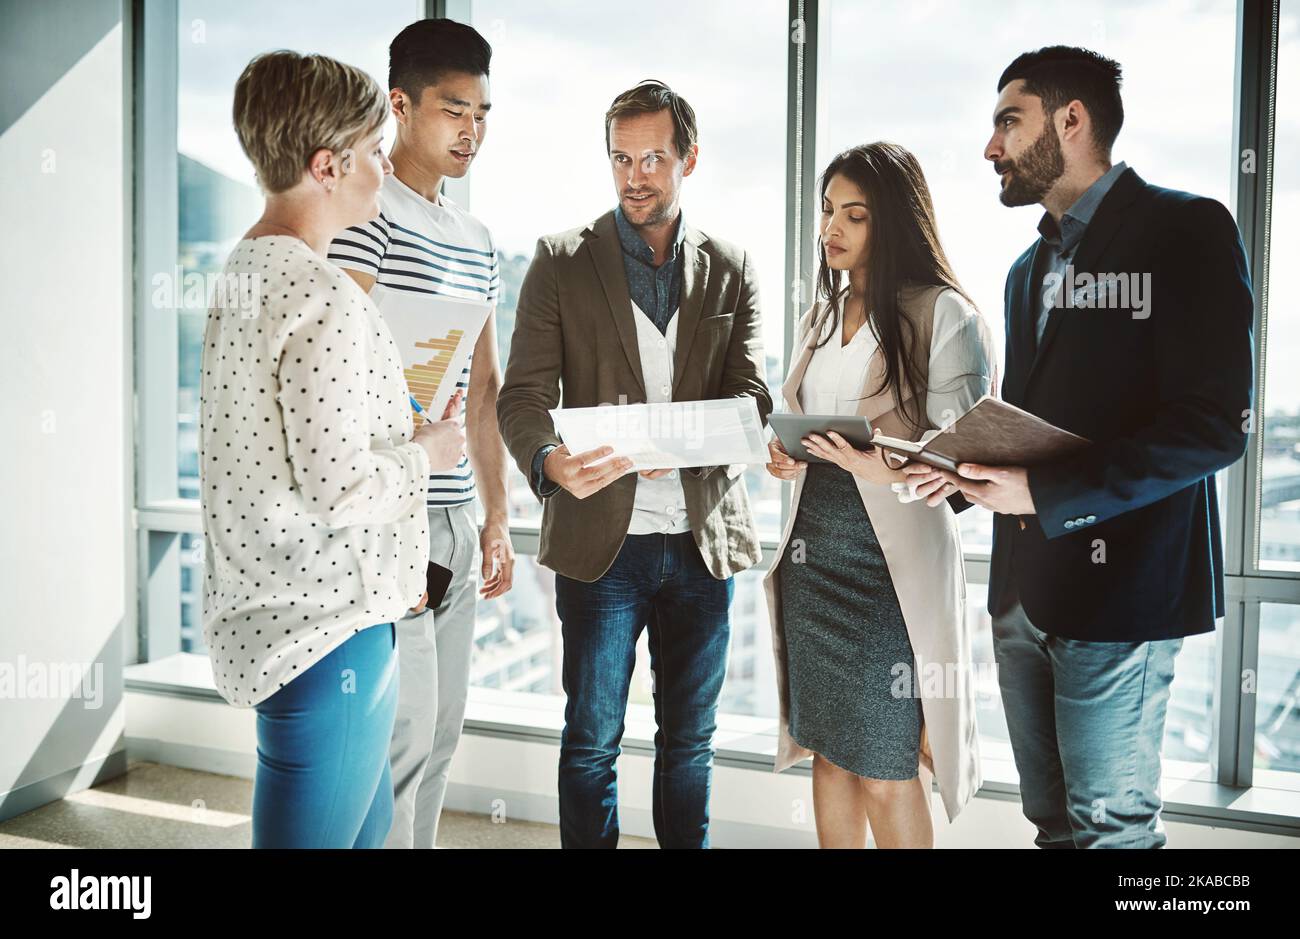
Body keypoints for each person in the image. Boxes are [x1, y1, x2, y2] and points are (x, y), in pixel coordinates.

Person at [907, 46, 1254, 848]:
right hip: (1027, 594)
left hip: (1123, 593)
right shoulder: (1028, 269)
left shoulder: (1186, 229)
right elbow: (1031, 422)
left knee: (1112, 829)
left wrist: (1045, 495)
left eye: (1006, 121)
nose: (990, 147)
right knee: (1054, 825)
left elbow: (1213, 424)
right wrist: (955, 469)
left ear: (1071, 121)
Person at [496, 80, 772, 848]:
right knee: (591, 741)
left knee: (689, 743)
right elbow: (520, 397)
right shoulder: (559, 262)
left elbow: (750, 389)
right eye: (621, 158)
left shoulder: (732, 265)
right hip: (599, 547)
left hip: (699, 542)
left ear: (689, 157)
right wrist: (550, 460)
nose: (635, 175)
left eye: (654, 157)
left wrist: (690, 436)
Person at [200, 50, 465, 848]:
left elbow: (289, 451)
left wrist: (400, 435)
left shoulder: (243, 271)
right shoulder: (322, 296)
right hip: (329, 636)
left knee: (367, 825)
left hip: (275, 625)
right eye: (376, 152)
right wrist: (432, 453)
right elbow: (342, 490)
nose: (385, 168)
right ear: (328, 165)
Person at [764, 143, 994, 848]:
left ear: (891, 221)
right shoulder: (822, 314)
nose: (831, 226)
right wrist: (784, 453)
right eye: (829, 209)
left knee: (888, 766)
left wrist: (882, 467)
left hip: (887, 571)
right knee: (830, 752)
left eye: (853, 215)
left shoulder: (947, 314)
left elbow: (970, 461)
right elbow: (801, 414)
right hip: (813, 557)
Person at [327, 19, 515, 850]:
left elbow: (485, 394)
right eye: (452, 109)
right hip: (388, 517)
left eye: (481, 111)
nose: (470, 129)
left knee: (441, 737)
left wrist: (497, 516)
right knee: (398, 742)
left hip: (456, 523)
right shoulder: (367, 218)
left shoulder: (478, 242)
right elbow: (338, 372)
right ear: (400, 105)